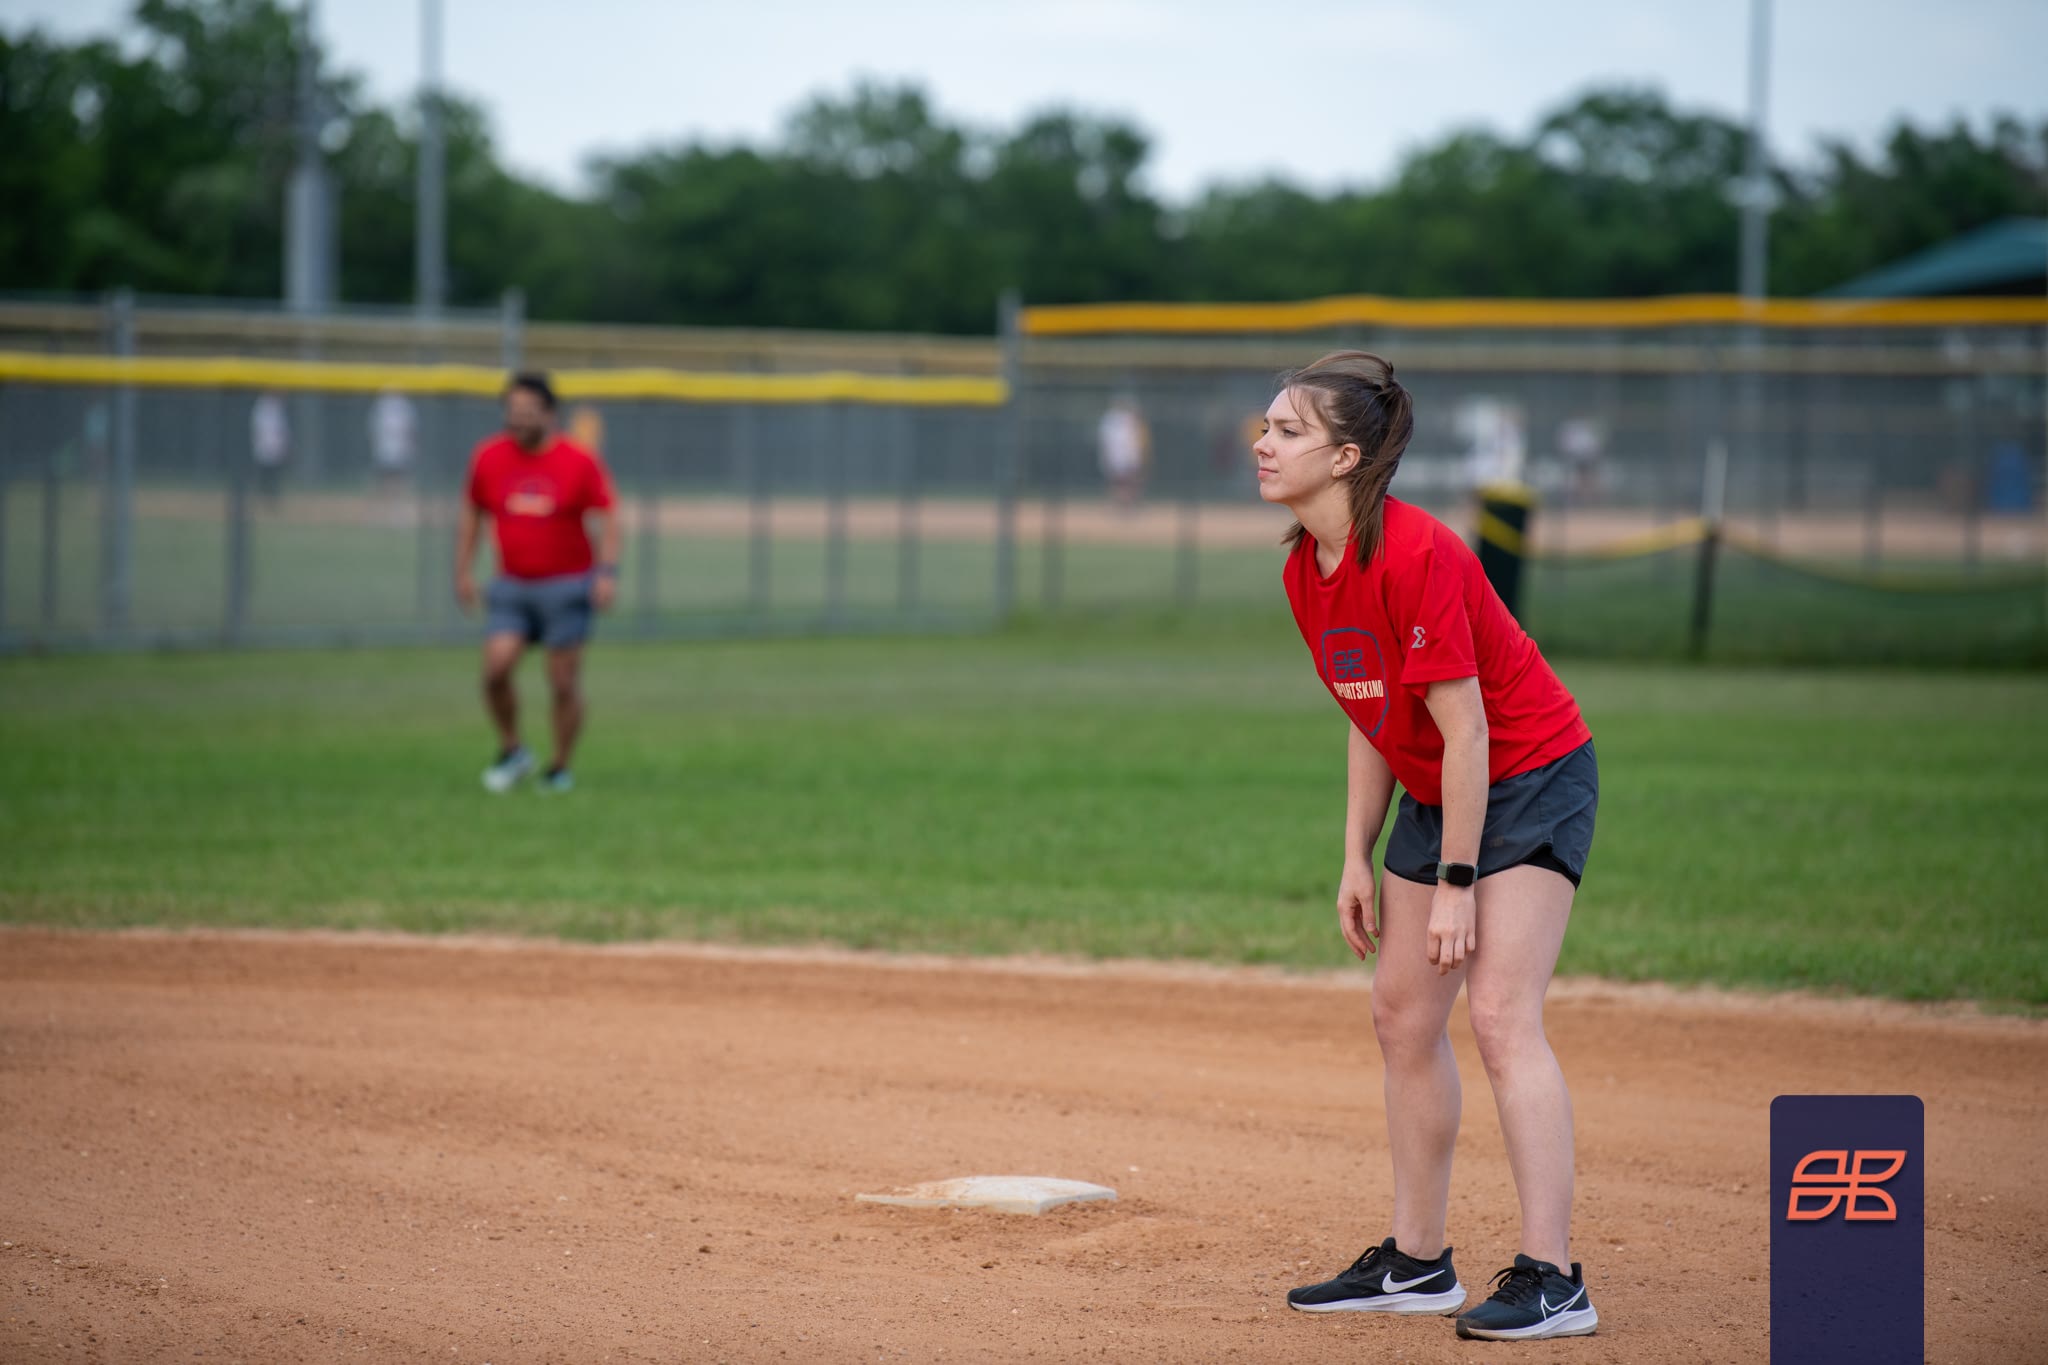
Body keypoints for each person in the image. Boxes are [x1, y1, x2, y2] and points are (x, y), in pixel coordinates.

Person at [1255, 351, 1599, 1342]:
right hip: (1439, 782)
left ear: (1346, 457)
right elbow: (1369, 713)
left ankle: (1554, 1278)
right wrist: (1354, 855)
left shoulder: (1417, 555)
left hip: (1528, 773)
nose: (1263, 444)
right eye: (1265, 427)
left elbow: (1470, 730)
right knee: (1403, 1015)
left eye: (1286, 430)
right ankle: (1416, 1264)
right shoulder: (1306, 569)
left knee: (1498, 1014)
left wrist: (1456, 881)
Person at [455, 372, 621, 793]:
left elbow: (608, 514)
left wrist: (606, 572)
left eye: (528, 411)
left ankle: (559, 767)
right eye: (512, 411)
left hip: (567, 586)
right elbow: (473, 512)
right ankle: (513, 749)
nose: (519, 419)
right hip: (512, 585)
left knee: (562, 682)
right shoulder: (489, 457)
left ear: (550, 414)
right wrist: (463, 570)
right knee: (495, 670)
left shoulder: (577, 460)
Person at [368, 388, 417, 516]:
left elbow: (410, 430)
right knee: (386, 480)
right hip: (386, 449)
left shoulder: (403, 407)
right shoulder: (382, 406)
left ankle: (397, 509)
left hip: (398, 449)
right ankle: (382, 510)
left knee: (399, 480)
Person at [250, 391, 290, 506]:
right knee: (265, 476)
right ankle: (263, 499)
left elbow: (282, 429)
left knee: (274, 476)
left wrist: (283, 444)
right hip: (264, 446)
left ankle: (272, 499)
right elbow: (258, 428)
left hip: (275, 447)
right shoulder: (261, 406)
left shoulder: (277, 407)